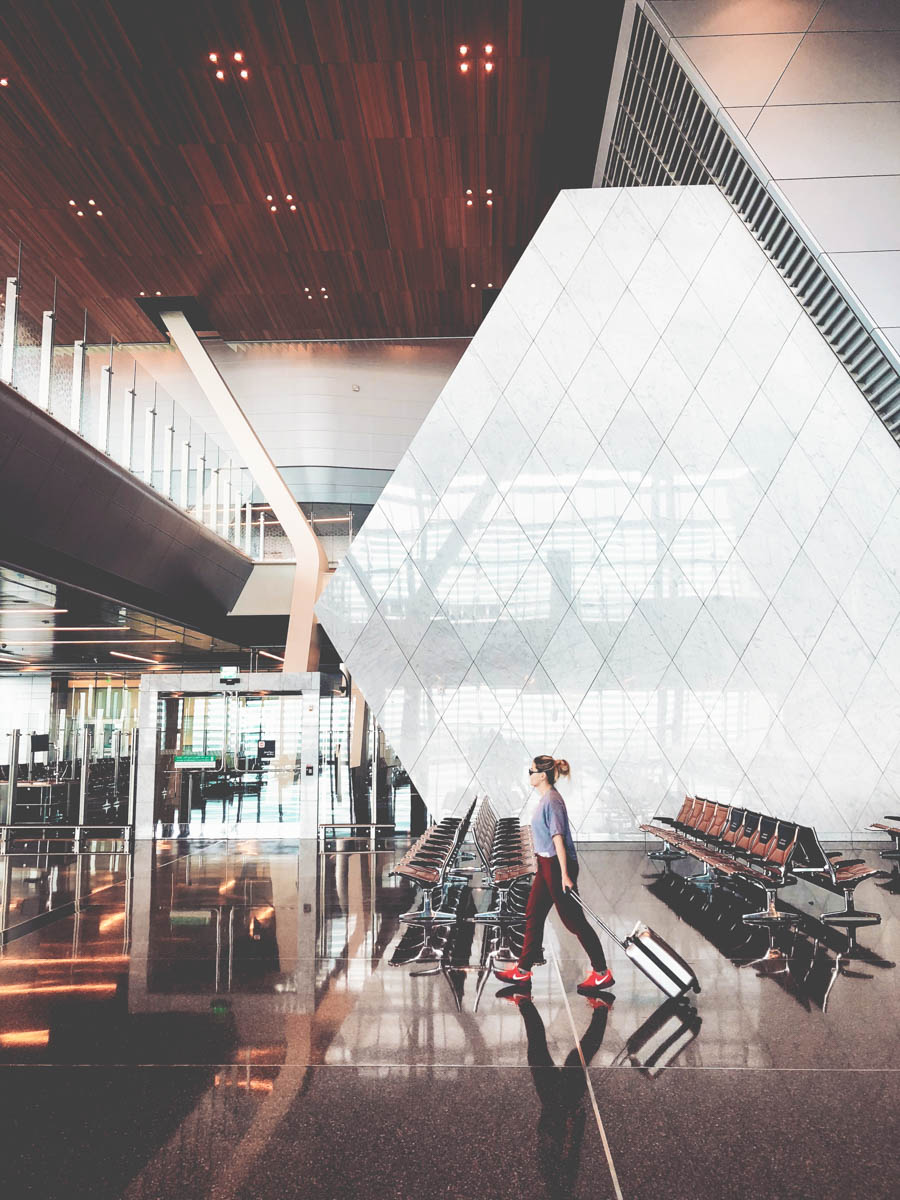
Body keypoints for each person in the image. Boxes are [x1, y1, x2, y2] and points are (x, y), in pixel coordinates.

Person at [494, 755, 613, 992]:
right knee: (533, 914)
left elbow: (557, 838)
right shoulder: (545, 799)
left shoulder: (553, 801)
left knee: (573, 920)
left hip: (557, 866)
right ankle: (523, 970)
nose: (529, 775)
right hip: (545, 864)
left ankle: (601, 972)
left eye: (531, 771)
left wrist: (565, 875)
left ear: (542, 775)